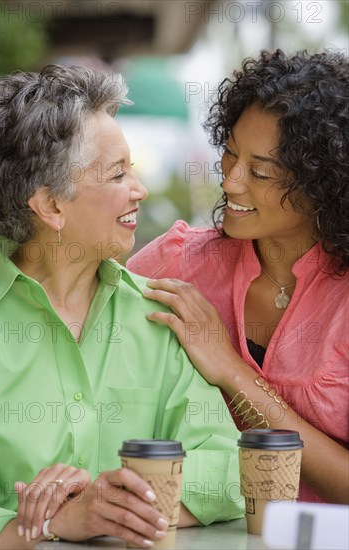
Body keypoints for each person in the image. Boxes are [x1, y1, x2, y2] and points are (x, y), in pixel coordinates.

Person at [0, 65, 245, 550]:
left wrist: (107, 500)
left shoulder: (157, 315)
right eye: (117, 173)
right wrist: (49, 524)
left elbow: (230, 468)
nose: (139, 190)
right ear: (51, 206)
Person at [127, 49, 349, 505]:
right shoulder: (177, 262)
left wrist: (230, 369)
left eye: (261, 172)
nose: (230, 181)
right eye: (229, 155)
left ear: (325, 184)